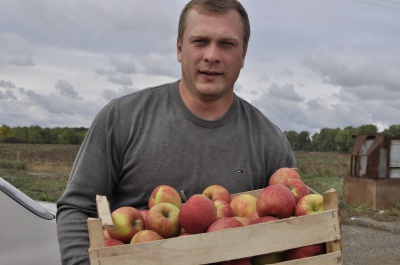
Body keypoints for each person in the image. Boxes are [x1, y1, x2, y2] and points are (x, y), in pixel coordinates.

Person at [56, 0, 296, 264]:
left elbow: (291, 234)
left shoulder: (269, 141)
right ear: (180, 48)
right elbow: (78, 209)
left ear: (244, 54)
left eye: (227, 44)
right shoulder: (122, 118)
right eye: (200, 41)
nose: (212, 55)